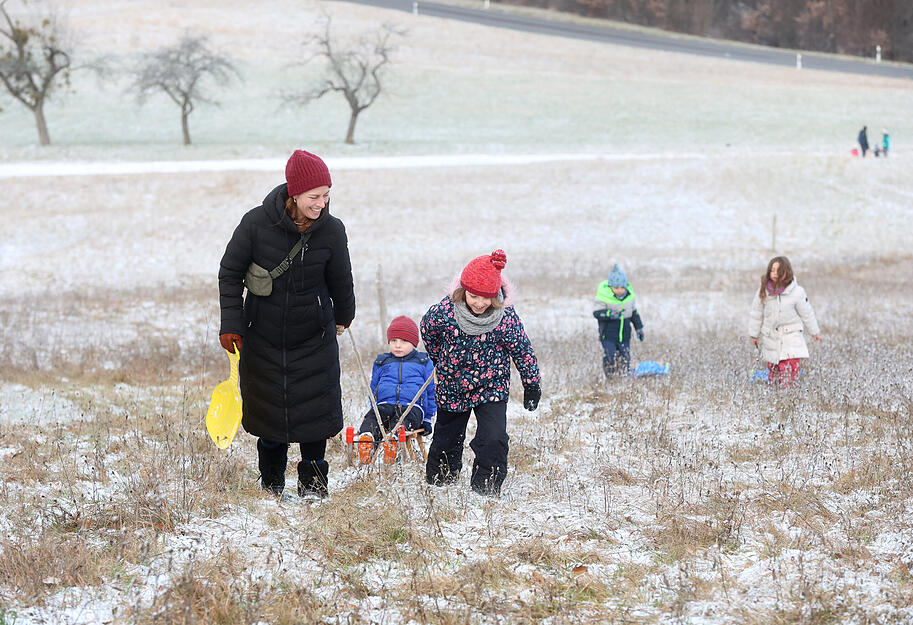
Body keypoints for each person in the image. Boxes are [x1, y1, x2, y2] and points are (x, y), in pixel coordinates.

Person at [218, 149, 355, 498]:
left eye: (326, 195)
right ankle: (271, 487)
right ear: (293, 193)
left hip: (315, 337)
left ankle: (313, 488)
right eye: (314, 196)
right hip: (262, 336)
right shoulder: (255, 224)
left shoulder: (332, 231)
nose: (321, 203)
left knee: (316, 414)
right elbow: (230, 273)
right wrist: (231, 324)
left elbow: (341, 279)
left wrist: (343, 317)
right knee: (269, 414)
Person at [421, 249, 540, 497]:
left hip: (491, 385)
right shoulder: (444, 312)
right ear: (463, 291)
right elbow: (428, 331)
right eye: (473, 296)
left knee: (494, 437)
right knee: (447, 436)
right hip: (453, 384)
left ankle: (486, 487)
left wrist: (531, 383)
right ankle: (441, 482)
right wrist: (440, 360)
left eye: (486, 298)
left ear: (495, 296)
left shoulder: (505, 318)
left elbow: (521, 349)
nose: (479, 303)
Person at [355, 316, 436, 464]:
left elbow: (431, 392)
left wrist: (427, 419)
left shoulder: (424, 362)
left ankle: (393, 442)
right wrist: (375, 406)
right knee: (373, 417)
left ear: (414, 343)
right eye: (394, 341)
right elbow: (374, 388)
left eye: (404, 341)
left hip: (412, 408)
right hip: (385, 404)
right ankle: (367, 439)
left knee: (401, 421)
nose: (398, 345)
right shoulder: (382, 361)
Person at [748, 256, 822, 387]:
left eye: (779, 271)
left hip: (791, 338)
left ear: (787, 272)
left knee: (788, 374)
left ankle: (790, 398)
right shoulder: (764, 290)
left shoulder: (797, 292)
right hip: (771, 337)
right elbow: (756, 313)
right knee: (773, 374)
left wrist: (814, 332)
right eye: (772, 270)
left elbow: (807, 313)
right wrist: (754, 334)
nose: (775, 274)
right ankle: (776, 401)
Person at [593, 264, 644, 376]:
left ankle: (623, 376)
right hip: (608, 336)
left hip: (625, 336)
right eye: (616, 288)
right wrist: (609, 314)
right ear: (610, 287)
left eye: (622, 287)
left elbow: (634, 314)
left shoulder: (629, 298)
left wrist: (639, 328)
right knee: (610, 356)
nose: (620, 290)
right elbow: (597, 313)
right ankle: (610, 377)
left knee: (625, 357)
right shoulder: (603, 297)